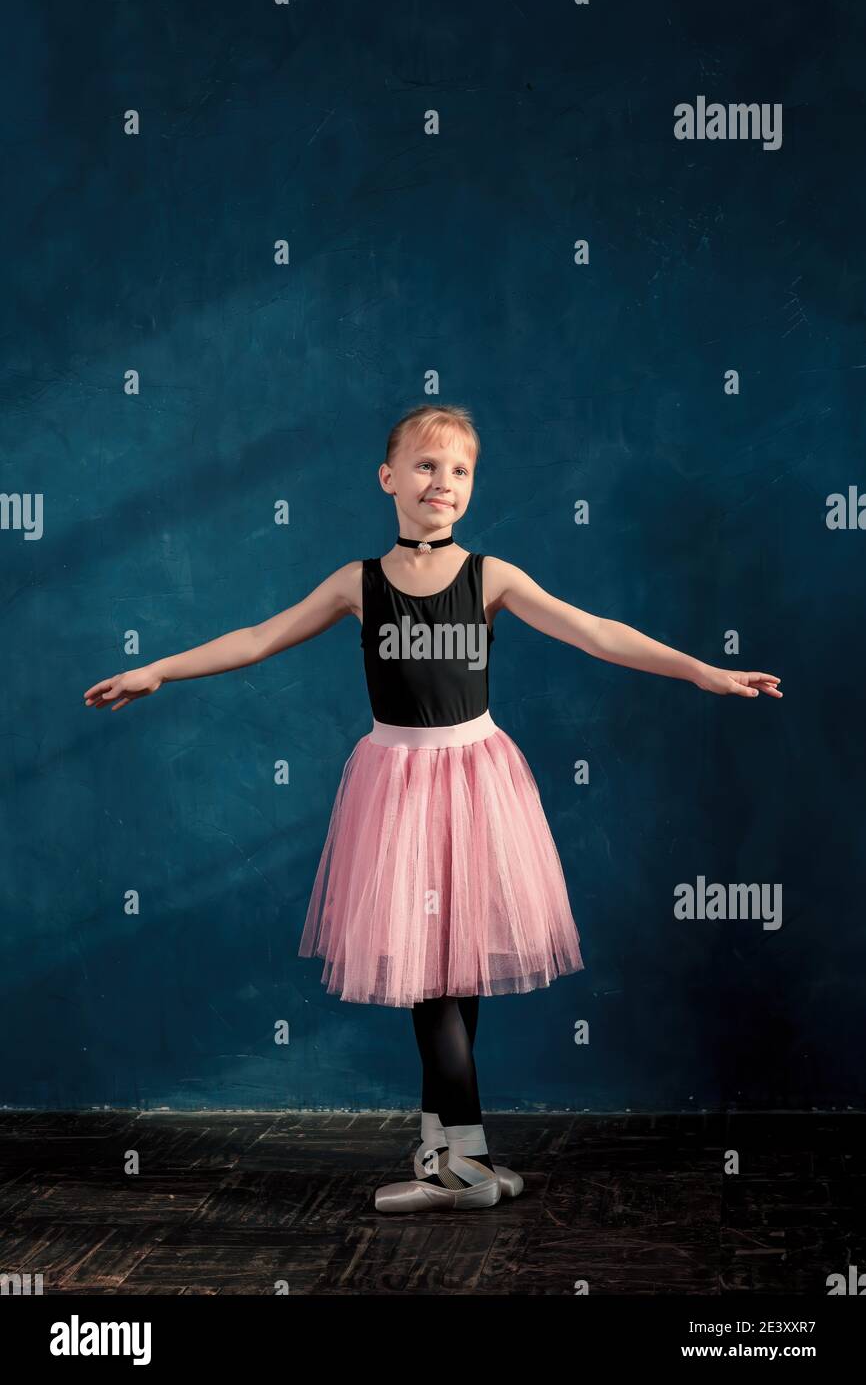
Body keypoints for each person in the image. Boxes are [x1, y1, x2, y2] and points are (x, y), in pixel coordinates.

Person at [83, 403, 782, 1214]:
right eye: (424, 466)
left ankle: (464, 1162)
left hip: (478, 778)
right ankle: (445, 1155)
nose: (441, 482)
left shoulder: (492, 577)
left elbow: (597, 631)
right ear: (389, 479)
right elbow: (256, 637)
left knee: (458, 968)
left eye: (459, 471)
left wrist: (702, 670)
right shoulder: (360, 582)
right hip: (396, 784)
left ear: (472, 487)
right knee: (431, 975)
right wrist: (159, 670)